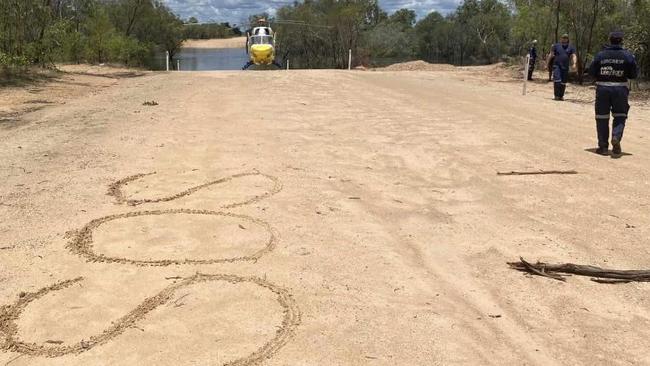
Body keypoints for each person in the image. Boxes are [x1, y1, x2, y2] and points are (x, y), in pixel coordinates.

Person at [588, 31, 638, 158]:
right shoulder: (627, 55)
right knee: (620, 115)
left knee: (602, 117)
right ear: (621, 41)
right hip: (620, 89)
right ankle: (616, 136)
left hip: (603, 88)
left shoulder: (600, 55)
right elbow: (634, 74)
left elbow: (591, 72)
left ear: (609, 40)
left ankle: (603, 147)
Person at [548, 34, 577, 100]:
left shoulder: (571, 47)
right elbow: (551, 55)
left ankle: (561, 96)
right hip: (557, 66)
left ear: (568, 39)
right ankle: (556, 95)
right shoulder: (556, 46)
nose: (564, 39)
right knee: (557, 80)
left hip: (565, 67)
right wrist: (547, 63)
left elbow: (574, 56)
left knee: (563, 82)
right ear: (561, 38)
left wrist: (574, 63)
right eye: (563, 37)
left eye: (566, 38)